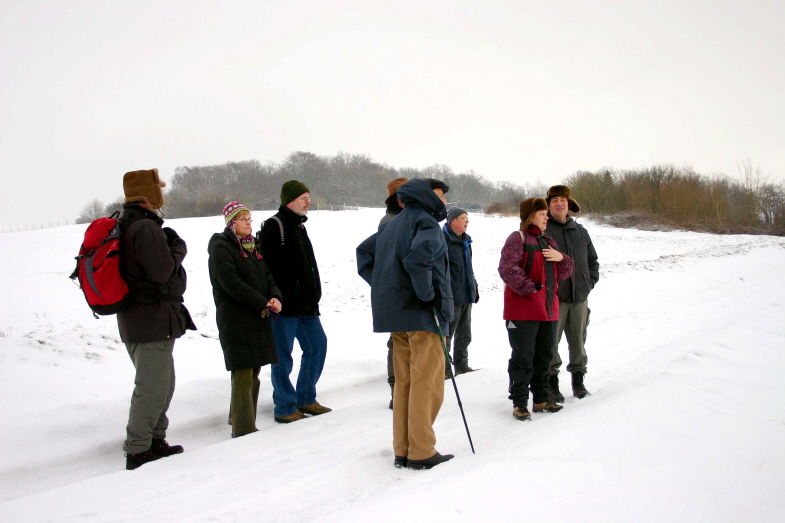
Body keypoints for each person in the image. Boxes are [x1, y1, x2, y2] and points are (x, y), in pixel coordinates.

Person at [357, 178, 455, 470]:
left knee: (405, 383)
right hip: (423, 315)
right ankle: (422, 451)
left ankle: (403, 448)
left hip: (397, 315)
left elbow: (364, 255)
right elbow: (418, 260)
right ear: (427, 198)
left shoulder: (391, 225)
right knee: (427, 382)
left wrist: (389, 287)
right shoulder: (425, 223)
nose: (444, 202)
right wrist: (425, 295)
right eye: (440, 196)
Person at [117, 168, 196, 470]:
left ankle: (155, 440)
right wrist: (178, 248)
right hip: (149, 320)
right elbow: (162, 271)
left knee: (163, 383)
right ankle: (138, 449)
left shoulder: (128, 224)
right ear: (150, 195)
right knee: (152, 387)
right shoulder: (144, 228)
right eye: (158, 190)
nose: (162, 195)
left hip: (142, 319)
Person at [208, 202, 283, 438]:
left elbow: (267, 276)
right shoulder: (222, 248)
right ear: (231, 223)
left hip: (257, 316)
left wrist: (274, 297)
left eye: (250, 218)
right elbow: (231, 283)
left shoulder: (252, 247)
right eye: (243, 219)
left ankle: (238, 418)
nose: (249, 223)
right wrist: (262, 302)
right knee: (242, 371)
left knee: (254, 370)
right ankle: (244, 429)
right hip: (236, 317)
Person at [258, 180, 331, 423]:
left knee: (317, 346)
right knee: (282, 357)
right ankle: (284, 406)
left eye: (308, 196)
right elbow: (269, 268)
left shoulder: (299, 225)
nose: (308, 201)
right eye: (303, 197)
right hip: (285, 307)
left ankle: (305, 397)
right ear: (289, 200)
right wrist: (287, 293)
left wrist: (311, 292)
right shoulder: (274, 226)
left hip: (307, 306)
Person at [498, 197, 573, 422]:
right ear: (530, 216)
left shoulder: (548, 241)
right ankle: (520, 402)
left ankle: (541, 398)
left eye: (545, 214)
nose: (546, 217)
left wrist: (562, 258)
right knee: (523, 357)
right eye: (542, 214)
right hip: (523, 312)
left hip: (548, 310)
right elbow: (507, 268)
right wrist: (530, 289)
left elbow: (565, 272)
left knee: (544, 357)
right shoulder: (517, 238)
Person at [545, 185, 599, 400]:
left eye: (563, 200)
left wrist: (589, 281)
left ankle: (579, 382)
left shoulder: (580, 231)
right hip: (555, 299)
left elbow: (592, 260)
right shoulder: (544, 230)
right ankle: (552, 384)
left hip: (580, 298)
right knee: (550, 344)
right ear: (549, 204)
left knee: (578, 342)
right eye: (555, 200)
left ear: (569, 204)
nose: (560, 204)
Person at [379, 177, 408, 409]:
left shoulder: (403, 219)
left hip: (402, 291)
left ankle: (402, 390)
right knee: (397, 342)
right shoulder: (389, 222)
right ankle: (396, 390)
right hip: (398, 292)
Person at [443, 207, 479, 377]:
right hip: (451, 296)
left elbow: (468, 268)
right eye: (463, 218)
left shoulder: (466, 241)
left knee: (465, 334)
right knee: (446, 336)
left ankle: (462, 366)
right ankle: (444, 369)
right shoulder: (442, 240)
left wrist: (475, 286)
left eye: (467, 218)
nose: (467, 221)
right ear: (453, 221)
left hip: (467, 294)